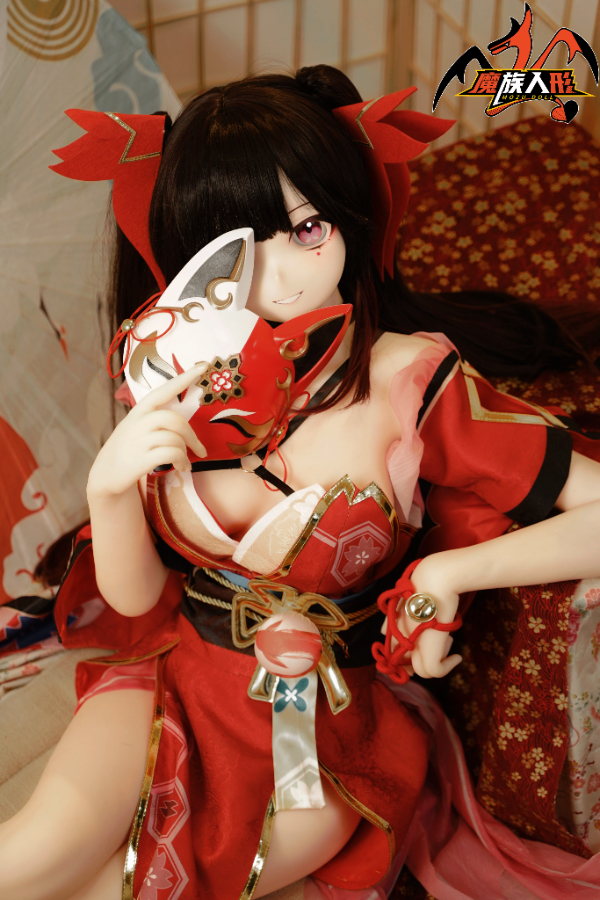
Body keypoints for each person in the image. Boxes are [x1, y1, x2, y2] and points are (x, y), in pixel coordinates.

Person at [1, 65, 600, 900]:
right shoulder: (177, 366)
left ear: (348, 218)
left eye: (307, 228)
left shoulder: (408, 379)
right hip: (177, 676)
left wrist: (449, 571)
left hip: (326, 727)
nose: (278, 276)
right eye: (235, 251)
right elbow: (138, 602)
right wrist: (109, 488)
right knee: (27, 859)